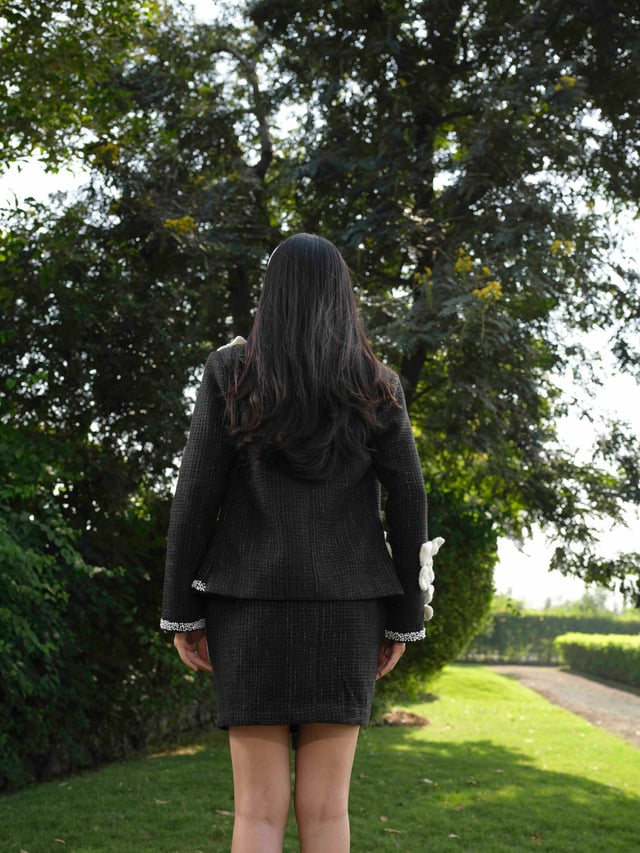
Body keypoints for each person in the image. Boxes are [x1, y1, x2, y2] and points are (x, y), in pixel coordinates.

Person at [161, 233, 428, 853]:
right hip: (347, 613)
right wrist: (404, 619)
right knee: (329, 814)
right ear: (342, 295)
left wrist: (182, 612)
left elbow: (195, 495)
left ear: (271, 293)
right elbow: (409, 499)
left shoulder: (230, 373)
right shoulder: (377, 383)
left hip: (246, 610)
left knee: (256, 815)